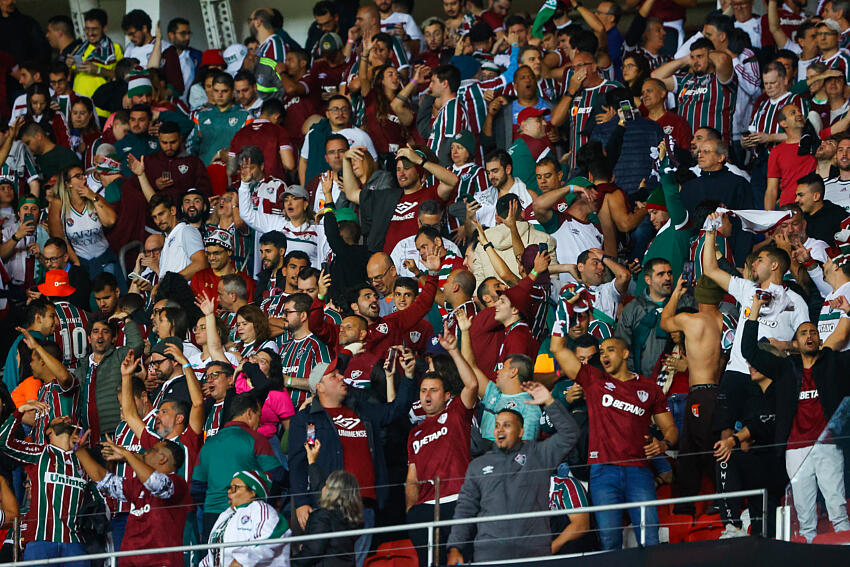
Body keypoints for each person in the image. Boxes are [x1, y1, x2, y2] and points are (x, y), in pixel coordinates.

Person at [741, 293, 850, 542]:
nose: (809, 335)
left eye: (813, 332)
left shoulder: (834, 363)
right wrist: (755, 309)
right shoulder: (785, 368)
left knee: (838, 510)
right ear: (796, 342)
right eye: (803, 333)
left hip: (828, 447)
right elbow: (749, 349)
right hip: (796, 450)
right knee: (805, 519)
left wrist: (849, 310)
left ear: (820, 339)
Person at [446, 382, 579, 563]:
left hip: (534, 552)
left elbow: (570, 434)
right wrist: (455, 546)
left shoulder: (538, 454)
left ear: (521, 431)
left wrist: (549, 401)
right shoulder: (478, 465)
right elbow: (465, 508)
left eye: (507, 425)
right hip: (490, 555)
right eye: (497, 425)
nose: (500, 429)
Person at [405, 331, 480, 566]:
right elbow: (412, 478)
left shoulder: (456, 412)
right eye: (423, 390)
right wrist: (411, 511)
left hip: (459, 500)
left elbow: (472, 384)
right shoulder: (414, 433)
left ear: (447, 395)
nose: (427, 396)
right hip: (425, 508)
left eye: (433, 390)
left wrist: (453, 350)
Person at [77, 436, 190, 567]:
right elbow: (106, 483)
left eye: (152, 450)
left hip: (161, 562)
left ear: (163, 459)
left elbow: (156, 483)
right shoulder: (138, 483)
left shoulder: (177, 483)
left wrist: (126, 454)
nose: (145, 453)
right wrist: (79, 450)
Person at [0, 406, 89, 565]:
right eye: (60, 418)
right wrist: (20, 411)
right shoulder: (40, 453)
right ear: (48, 432)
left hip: (75, 543)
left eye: (67, 418)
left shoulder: (85, 461)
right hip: (40, 542)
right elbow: (3, 442)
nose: (66, 418)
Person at [652, 37, 736, 144]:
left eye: (700, 56)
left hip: (715, 149)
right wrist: (686, 60)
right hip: (686, 147)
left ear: (711, 56)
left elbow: (723, 58)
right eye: (693, 57)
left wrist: (709, 54)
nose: (695, 61)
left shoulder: (720, 78)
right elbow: (655, 77)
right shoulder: (685, 79)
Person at [201, 470, 290, 567]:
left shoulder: (261, 509)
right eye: (229, 488)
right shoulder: (225, 515)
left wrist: (241, 561)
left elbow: (274, 535)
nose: (229, 491)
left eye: (235, 488)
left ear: (252, 492)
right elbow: (213, 552)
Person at [48, 165, 120, 279]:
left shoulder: (95, 197)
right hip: (81, 261)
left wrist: (93, 197)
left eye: (83, 175)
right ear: (68, 184)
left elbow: (110, 221)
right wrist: (76, 262)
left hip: (105, 257)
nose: (84, 179)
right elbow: (59, 238)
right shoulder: (59, 204)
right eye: (78, 176)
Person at [292, 468, 362, 567]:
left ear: (332, 491)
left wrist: (289, 563)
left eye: (326, 485)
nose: (323, 488)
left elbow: (313, 551)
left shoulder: (322, 516)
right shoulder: (352, 519)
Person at [765, 103, 818, 209]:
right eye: (793, 113)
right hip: (789, 207)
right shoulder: (776, 152)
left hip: (815, 205)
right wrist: (769, 218)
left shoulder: (817, 142)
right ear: (783, 123)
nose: (799, 114)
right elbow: (771, 189)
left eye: (800, 112)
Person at [150, 193, 208, 280]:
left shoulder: (186, 231)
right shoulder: (167, 240)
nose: (158, 221)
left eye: (161, 214)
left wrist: (169, 283)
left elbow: (201, 263)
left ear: (173, 210)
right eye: (155, 217)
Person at [795, 172, 848, 244]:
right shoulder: (798, 217)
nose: (796, 200)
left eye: (801, 195)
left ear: (816, 196)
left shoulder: (839, 217)